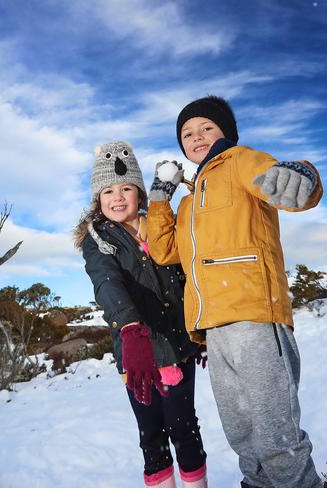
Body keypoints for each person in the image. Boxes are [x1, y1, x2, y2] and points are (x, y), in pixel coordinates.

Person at [147, 96, 324, 488]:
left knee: (277, 436)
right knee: (243, 435)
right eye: (187, 133)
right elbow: (163, 251)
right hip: (214, 329)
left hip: (254, 318)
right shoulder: (191, 199)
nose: (196, 137)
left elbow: (283, 181)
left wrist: (303, 175)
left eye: (206, 128)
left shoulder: (241, 161)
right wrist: (160, 194)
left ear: (226, 132)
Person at [75, 141, 208, 488]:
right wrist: (131, 330)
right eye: (108, 191)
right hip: (138, 355)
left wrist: (201, 327)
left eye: (126, 188)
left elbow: (186, 279)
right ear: (97, 198)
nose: (117, 197)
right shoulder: (98, 240)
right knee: (152, 436)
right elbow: (107, 284)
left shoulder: (160, 226)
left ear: (139, 193)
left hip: (180, 348)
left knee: (186, 430)